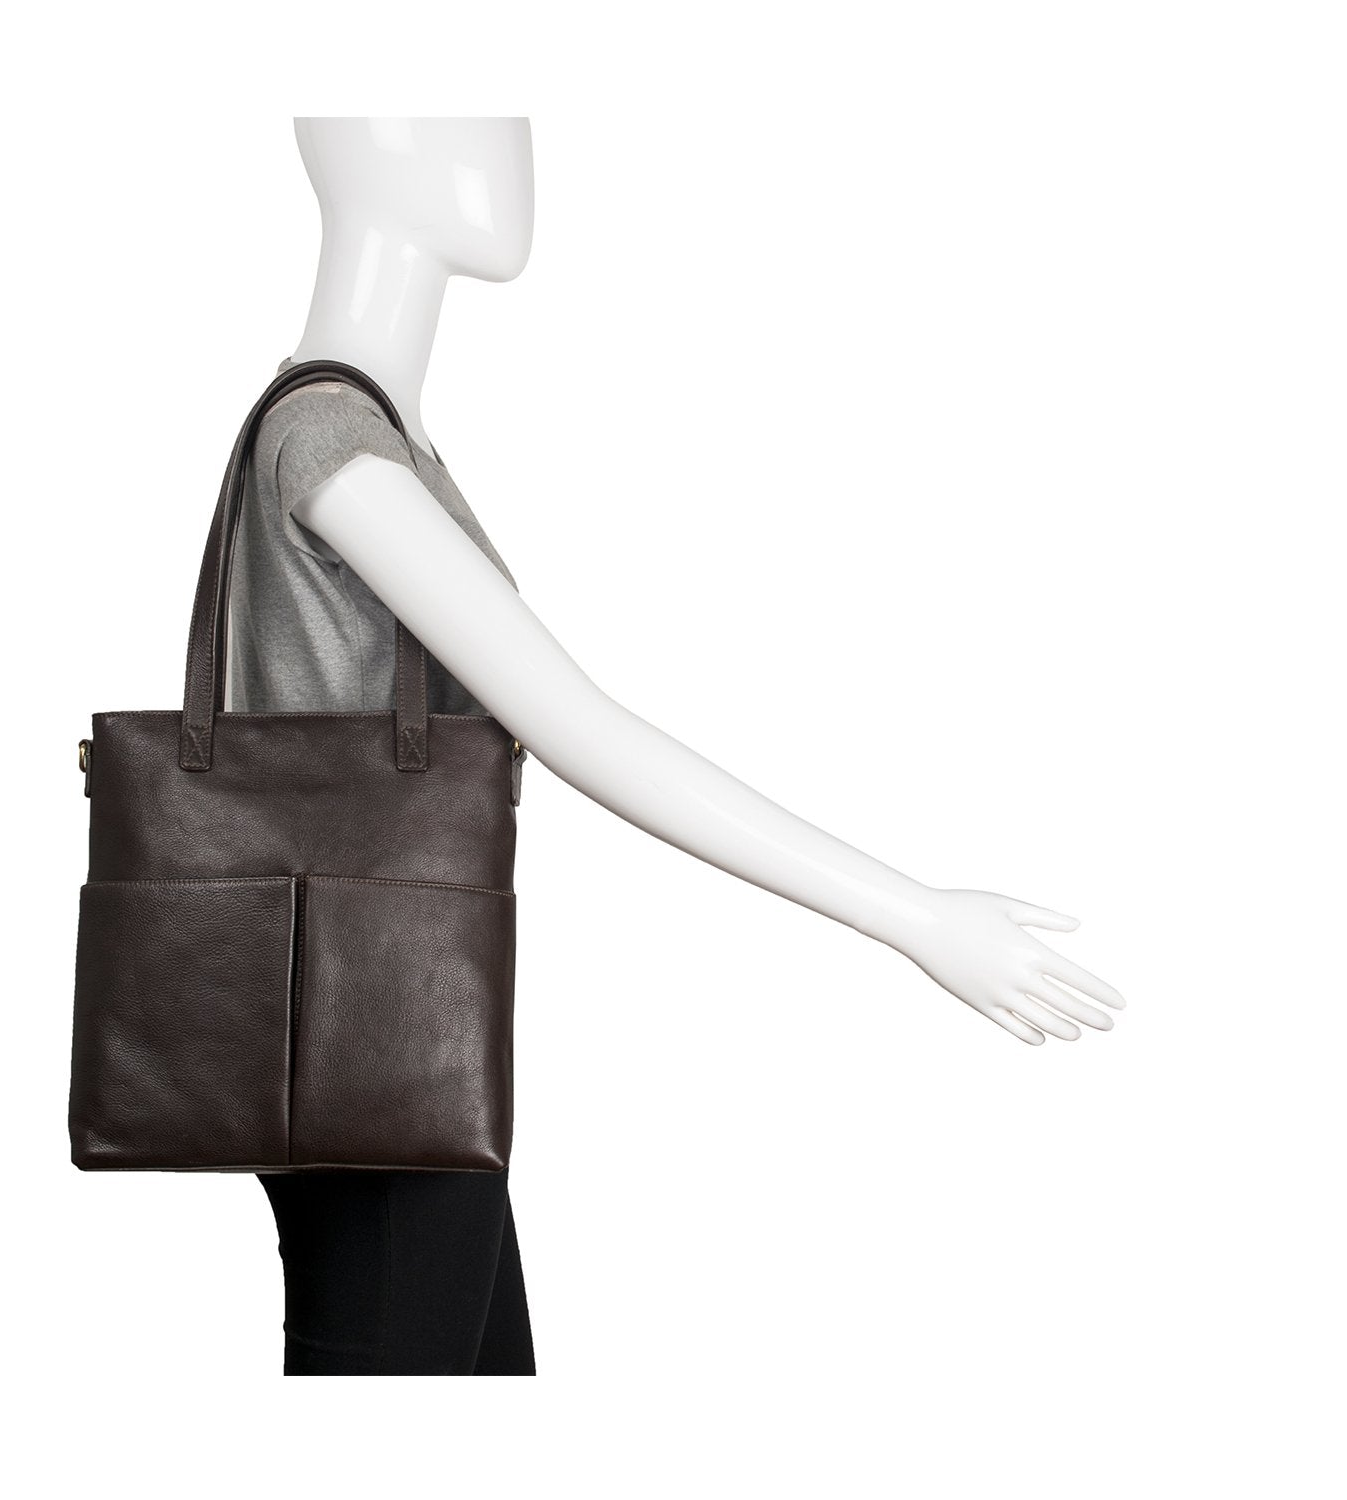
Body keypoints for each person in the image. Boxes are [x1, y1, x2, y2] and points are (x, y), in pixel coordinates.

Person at [232, 116, 1125, 1376]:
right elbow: (578, 725)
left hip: (390, 1046)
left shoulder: (374, 434)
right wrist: (916, 916)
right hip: (362, 1051)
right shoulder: (333, 440)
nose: (511, 136)